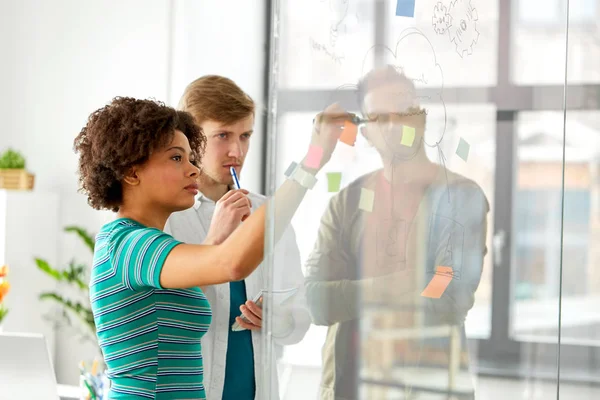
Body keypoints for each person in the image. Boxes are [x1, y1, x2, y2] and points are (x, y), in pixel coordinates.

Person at [74, 96, 344, 399]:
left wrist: (216, 240)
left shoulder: (156, 245)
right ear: (131, 172)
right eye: (177, 158)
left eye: (191, 158)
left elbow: (213, 267)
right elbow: (231, 264)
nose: (193, 170)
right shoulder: (125, 245)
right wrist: (312, 161)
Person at [304, 65, 489, 399]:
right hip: (350, 385)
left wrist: (353, 294)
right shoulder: (346, 203)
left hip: (429, 386)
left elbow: (447, 298)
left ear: (421, 117)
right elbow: (317, 301)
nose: (393, 126)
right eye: (378, 118)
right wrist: (411, 282)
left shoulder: (460, 197)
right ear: (365, 131)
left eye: (403, 113)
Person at [164, 75, 311, 400]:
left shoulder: (269, 215)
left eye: (245, 135)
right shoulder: (169, 219)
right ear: (191, 140)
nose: (237, 150)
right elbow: (166, 321)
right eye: (223, 135)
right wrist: (217, 238)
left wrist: (279, 319)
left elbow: (300, 315)